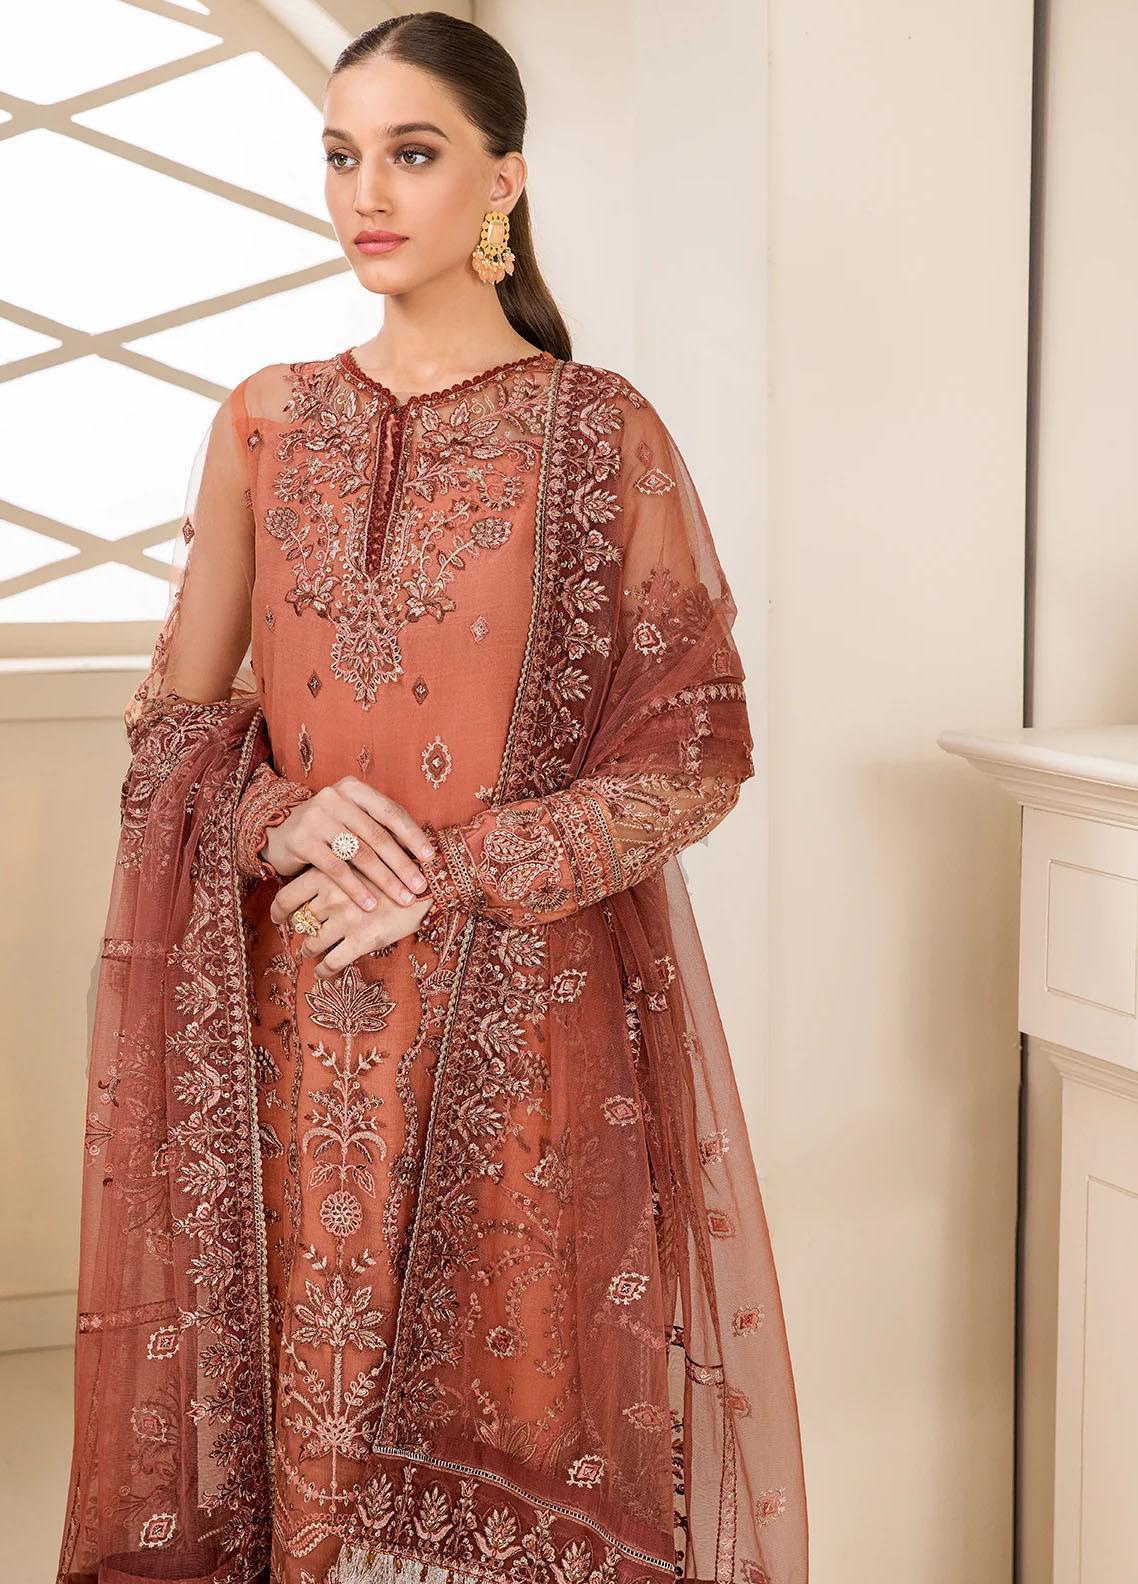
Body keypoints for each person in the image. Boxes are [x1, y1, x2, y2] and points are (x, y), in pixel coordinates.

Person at [55, 13, 807, 1584]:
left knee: (521, 1427)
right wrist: (276, 820)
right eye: (341, 155)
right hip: (292, 1025)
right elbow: (170, 729)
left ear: (501, 182)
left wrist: (443, 873)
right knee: (304, 1452)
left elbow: (691, 750)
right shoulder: (264, 419)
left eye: (412, 153)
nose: (366, 193)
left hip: (520, 1025)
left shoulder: (596, 430)